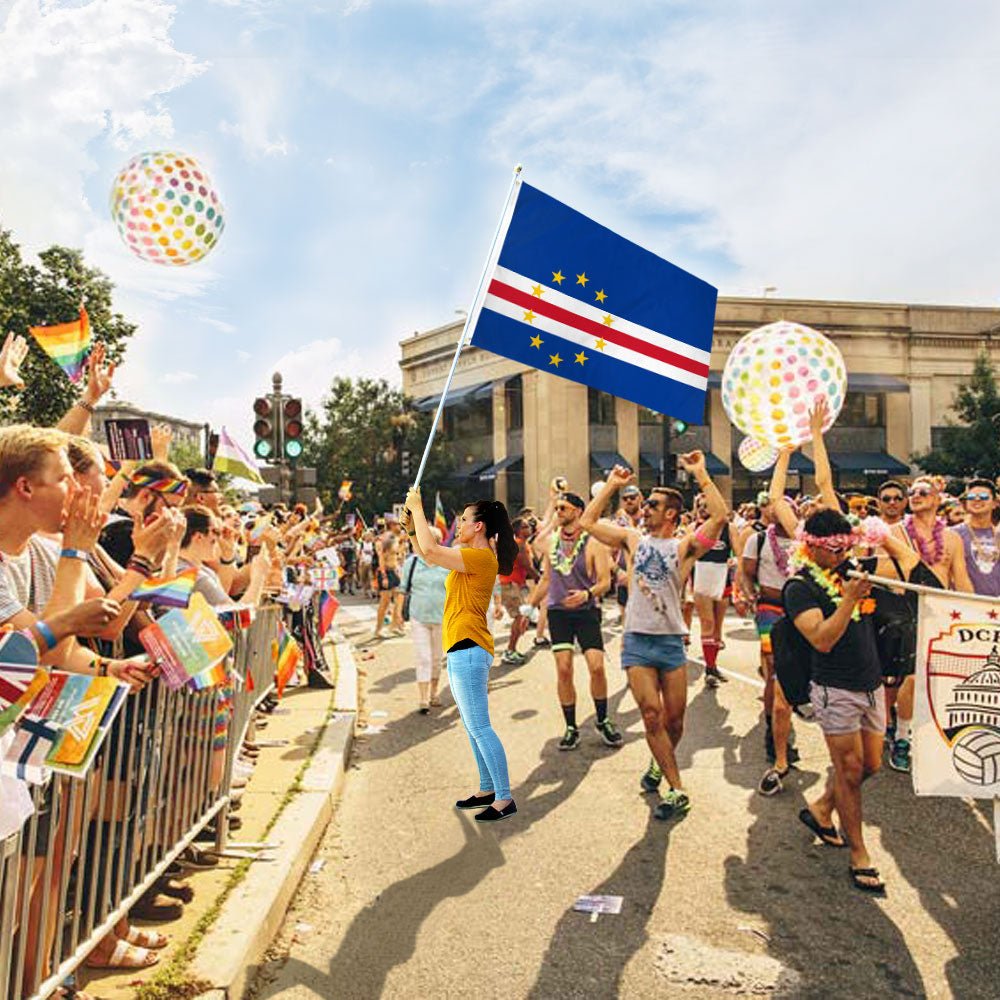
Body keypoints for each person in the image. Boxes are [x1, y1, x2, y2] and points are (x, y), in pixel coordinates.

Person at [581, 452, 728, 819]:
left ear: (671, 515)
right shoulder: (632, 540)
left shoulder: (684, 547)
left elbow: (720, 517)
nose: (645, 509)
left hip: (670, 642)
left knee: (674, 722)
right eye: (645, 504)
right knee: (650, 714)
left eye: (653, 505)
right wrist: (612, 485)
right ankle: (677, 789)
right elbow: (588, 521)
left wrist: (700, 474)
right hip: (638, 642)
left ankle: (657, 764)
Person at [780, 507, 887, 895]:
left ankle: (822, 808)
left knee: (870, 766)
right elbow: (822, 638)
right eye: (833, 549)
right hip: (834, 687)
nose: (841, 556)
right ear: (811, 547)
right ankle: (859, 853)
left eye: (847, 548)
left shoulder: (853, 571)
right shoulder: (800, 587)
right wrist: (848, 600)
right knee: (849, 771)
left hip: (871, 684)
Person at [403, 489, 518, 822]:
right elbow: (426, 553)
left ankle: (505, 797)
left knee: (480, 726)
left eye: (465, 519)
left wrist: (417, 508)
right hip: (460, 647)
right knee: (472, 726)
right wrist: (411, 527)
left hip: (469, 647)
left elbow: (430, 549)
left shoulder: (481, 558)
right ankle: (487, 788)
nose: (459, 523)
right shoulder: (467, 555)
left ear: (479, 526)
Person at [528, 491, 622, 750]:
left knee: (596, 667)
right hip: (558, 612)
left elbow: (605, 582)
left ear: (578, 512)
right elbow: (545, 575)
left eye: (563, 508)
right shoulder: (551, 542)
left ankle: (602, 720)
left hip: (586, 611)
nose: (559, 512)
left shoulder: (594, 543)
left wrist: (586, 594)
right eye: (557, 508)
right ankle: (571, 726)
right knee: (564, 668)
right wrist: (530, 606)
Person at [399, 526, 450, 712]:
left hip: (442, 617)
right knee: (423, 658)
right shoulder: (411, 563)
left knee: (437, 658)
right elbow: (403, 589)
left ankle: (434, 692)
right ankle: (422, 698)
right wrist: (397, 613)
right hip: (418, 616)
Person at [691, 492, 732, 687]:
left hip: (722, 576)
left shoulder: (728, 528)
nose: (704, 508)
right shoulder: (694, 528)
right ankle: (709, 668)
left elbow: (740, 552)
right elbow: (685, 556)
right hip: (702, 576)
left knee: (717, 627)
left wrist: (735, 561)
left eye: (708, 505)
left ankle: (713, 665)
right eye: (701, 505)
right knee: (707, 623)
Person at [499, 517, 538, 665]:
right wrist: (539, 579)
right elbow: (527, 566)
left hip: (511, 583)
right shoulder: (520, 545)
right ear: (517, 530)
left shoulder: (519, 544)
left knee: (521, 617)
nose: (529, 529)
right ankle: (510, 651)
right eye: (525, 527)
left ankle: (511, 650)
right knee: (519, 617)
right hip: (510, 584)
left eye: (528, 526)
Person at [953, 479, 1000, 597]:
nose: (977, 499)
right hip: (965, 606)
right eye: (971, 496)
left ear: (995, 503)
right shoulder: (953, 534)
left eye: (984, 496)